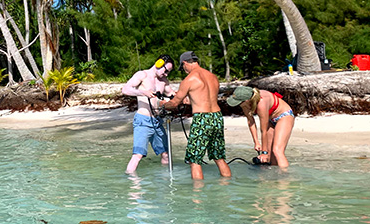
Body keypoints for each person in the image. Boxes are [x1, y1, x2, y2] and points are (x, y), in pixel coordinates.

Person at [163, 51, 230, 179]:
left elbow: (175, 103)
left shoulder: (189, 79)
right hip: (217, 116)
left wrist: (163, 105)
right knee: (219, 157)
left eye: (183, 68)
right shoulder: (213, 76)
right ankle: (226, 189)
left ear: (185, 63)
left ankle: (197, 196)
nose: (184, 71)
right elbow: (204, 97)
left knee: (194, 160)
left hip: (202, 119)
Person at [121, 54, 175, 173]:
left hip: (157, 121)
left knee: (166, 154)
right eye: (166, 71)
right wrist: (143, 92)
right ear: (159, 64)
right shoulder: (142, 75)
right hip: (143, 120)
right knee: (137, 156)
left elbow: (173, 94)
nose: (166, 74)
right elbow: (125, 89)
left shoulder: (163, 81)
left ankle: (165, 182)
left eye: (168, 73)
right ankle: (132, 185)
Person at [226, 86, 294, 168]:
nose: (239, 105)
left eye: (239, 102)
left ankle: (286, 178)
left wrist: (263, 153)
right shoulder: (244, 104)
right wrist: (257, 143)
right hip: (270, 119)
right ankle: (274, 177)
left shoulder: (261, 103)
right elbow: (251, 122)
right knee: (270, 155)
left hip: (284, 116)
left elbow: (263, 130)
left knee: (277, 151)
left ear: (247, 100)